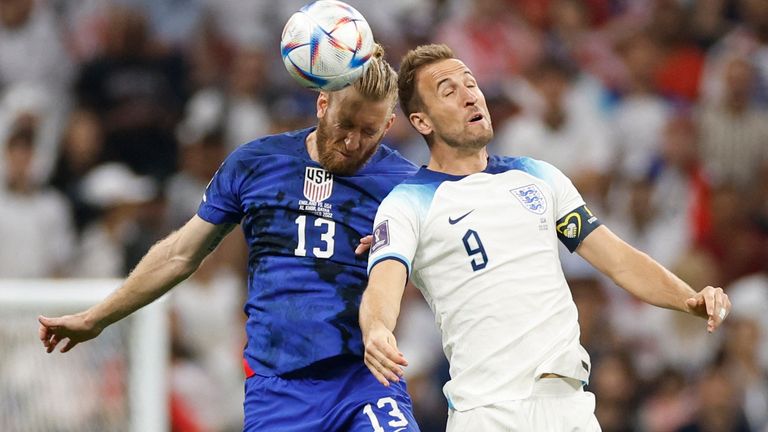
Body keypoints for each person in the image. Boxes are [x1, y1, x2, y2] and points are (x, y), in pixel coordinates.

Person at [38, 45, 421, 432]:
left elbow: (458, 255)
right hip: (279, 390)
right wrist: (96, 318)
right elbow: (179, 254)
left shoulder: (405, 186)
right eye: (346, 125)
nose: (353, 142)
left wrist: (411, 249)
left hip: (365, 381)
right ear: (323, 104)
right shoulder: (256, 163)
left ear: (388, 126)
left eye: (369, 131)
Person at [359, 44, 732, 431]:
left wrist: (688, 298)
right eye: (449, 91)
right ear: (421, 122)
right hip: (489, 413)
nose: (470, 95)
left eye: (471, 84)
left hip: (570, 406)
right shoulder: (407, 203)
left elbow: (618, 260)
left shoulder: (538, 176)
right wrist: (378, 331)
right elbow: (384, 284)